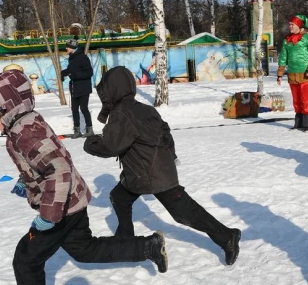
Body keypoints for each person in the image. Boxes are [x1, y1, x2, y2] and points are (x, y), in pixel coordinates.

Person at [0, 68, 168, 285]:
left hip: (60, 210)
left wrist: (47, 217)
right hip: (73, 201)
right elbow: (51, 159)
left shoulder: (25, 132)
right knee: (85, 250)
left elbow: (58, 171)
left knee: (26, 259)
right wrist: (28, 181)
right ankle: (147, 246)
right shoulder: (26, 123)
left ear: (7, 107)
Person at [83, 66, 241, 265]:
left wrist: (90, 142)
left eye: (104, 92)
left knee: (184, 213)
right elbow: (165, 131)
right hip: (143, 172)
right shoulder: (143, 108)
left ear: (113, 90)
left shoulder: (122, 113)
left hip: (152, 174)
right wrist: (170, 156)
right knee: (119, 196)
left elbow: (111, 146)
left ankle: (227, 236)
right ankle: (126, 240)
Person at [276, 15, 308, 132]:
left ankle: (306, 124)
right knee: (296, 100)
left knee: (306, 99)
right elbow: (283, 58)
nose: (290, 26)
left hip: (305, 74)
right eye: (289, 24)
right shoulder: (287, 41)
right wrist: (280, 74)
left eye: (292, 24)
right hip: (292, 75)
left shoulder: (307, 39)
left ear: (299, 26)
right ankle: (298, 123)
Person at [61, 38, 94, 139]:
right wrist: (64, 73)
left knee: (84, 108)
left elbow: (89, 72)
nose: (66, 48)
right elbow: (71, 70)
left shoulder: (83, 57)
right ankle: (77, 130)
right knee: (74, 109)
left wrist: (74, 75)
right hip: (75, 87)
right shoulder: (72, 57)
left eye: (67, 46)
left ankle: (89, 129)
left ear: (72, 47)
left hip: (83, 87)